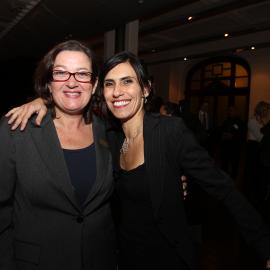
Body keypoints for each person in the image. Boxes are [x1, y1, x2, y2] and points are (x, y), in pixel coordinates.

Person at [6, 51, 270, 270]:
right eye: (110, 84)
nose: (118, 91)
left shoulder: (169, 132)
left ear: (145, 89)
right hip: (125, 258)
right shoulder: (109, 137)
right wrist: (42, 100)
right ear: (102, 92)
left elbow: (223, 188)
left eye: (127, 82)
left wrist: (264, 245)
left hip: (167, 259)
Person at [0, 40, 117, 270]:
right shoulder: (17, 129)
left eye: (82, 74)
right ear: (49, 83)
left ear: (94, 85)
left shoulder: (109, 131)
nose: (72, 82)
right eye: (61, 73)